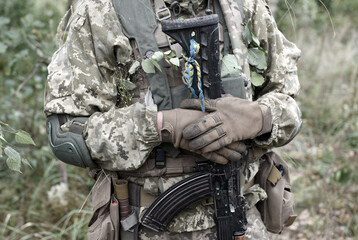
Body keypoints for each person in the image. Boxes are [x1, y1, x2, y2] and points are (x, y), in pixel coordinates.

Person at [44, 0, 302, 239]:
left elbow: (288, 104)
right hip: (144, 223)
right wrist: (161, 126)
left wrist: (261, 118)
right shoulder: (104, 11)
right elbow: (67, 135)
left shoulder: (246, 6)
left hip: (244, 218)